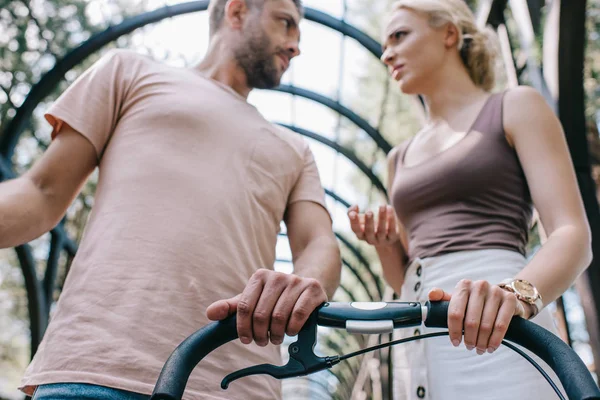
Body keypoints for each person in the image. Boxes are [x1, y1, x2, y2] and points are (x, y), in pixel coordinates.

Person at [8, 0, 342, 399]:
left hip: (236, 384)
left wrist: (303, 284)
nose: (295, 45)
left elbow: (319, 243)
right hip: (94, 368)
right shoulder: (129, 72)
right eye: (286, 24)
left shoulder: (296, 149)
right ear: (236, 12)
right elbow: (41, 193)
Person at [347, 0, 592, 399]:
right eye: (384, 43)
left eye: (399, 36)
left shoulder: (515, 106)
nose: (386, 52)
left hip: (499, 325)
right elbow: (403, 275)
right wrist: (387, 244)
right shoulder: (398, 159)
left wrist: (514, 297)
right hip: (415, 337)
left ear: (449, 34)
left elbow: (572, 235)